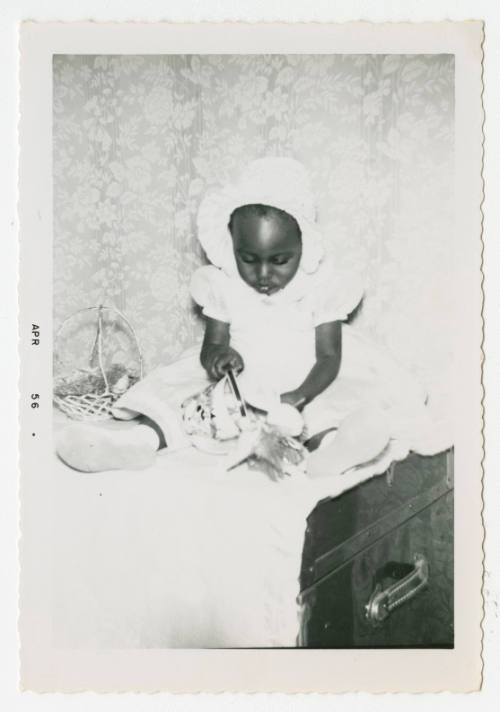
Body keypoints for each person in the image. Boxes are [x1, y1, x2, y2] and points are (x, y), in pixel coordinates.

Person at [57, 157, 428, 475]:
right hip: (239, 387)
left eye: (280, 260)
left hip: (304, 383)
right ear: (232, 247)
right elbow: (212, 345)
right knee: (184, 399)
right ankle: (138, 443)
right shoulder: (224, 287)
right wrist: (217, 357)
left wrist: (300, 395)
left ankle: (331, 451)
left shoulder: (320, 290)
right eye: (248, 259)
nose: (263, 275)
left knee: (324, 410)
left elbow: (330, 358)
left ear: (303, 247)